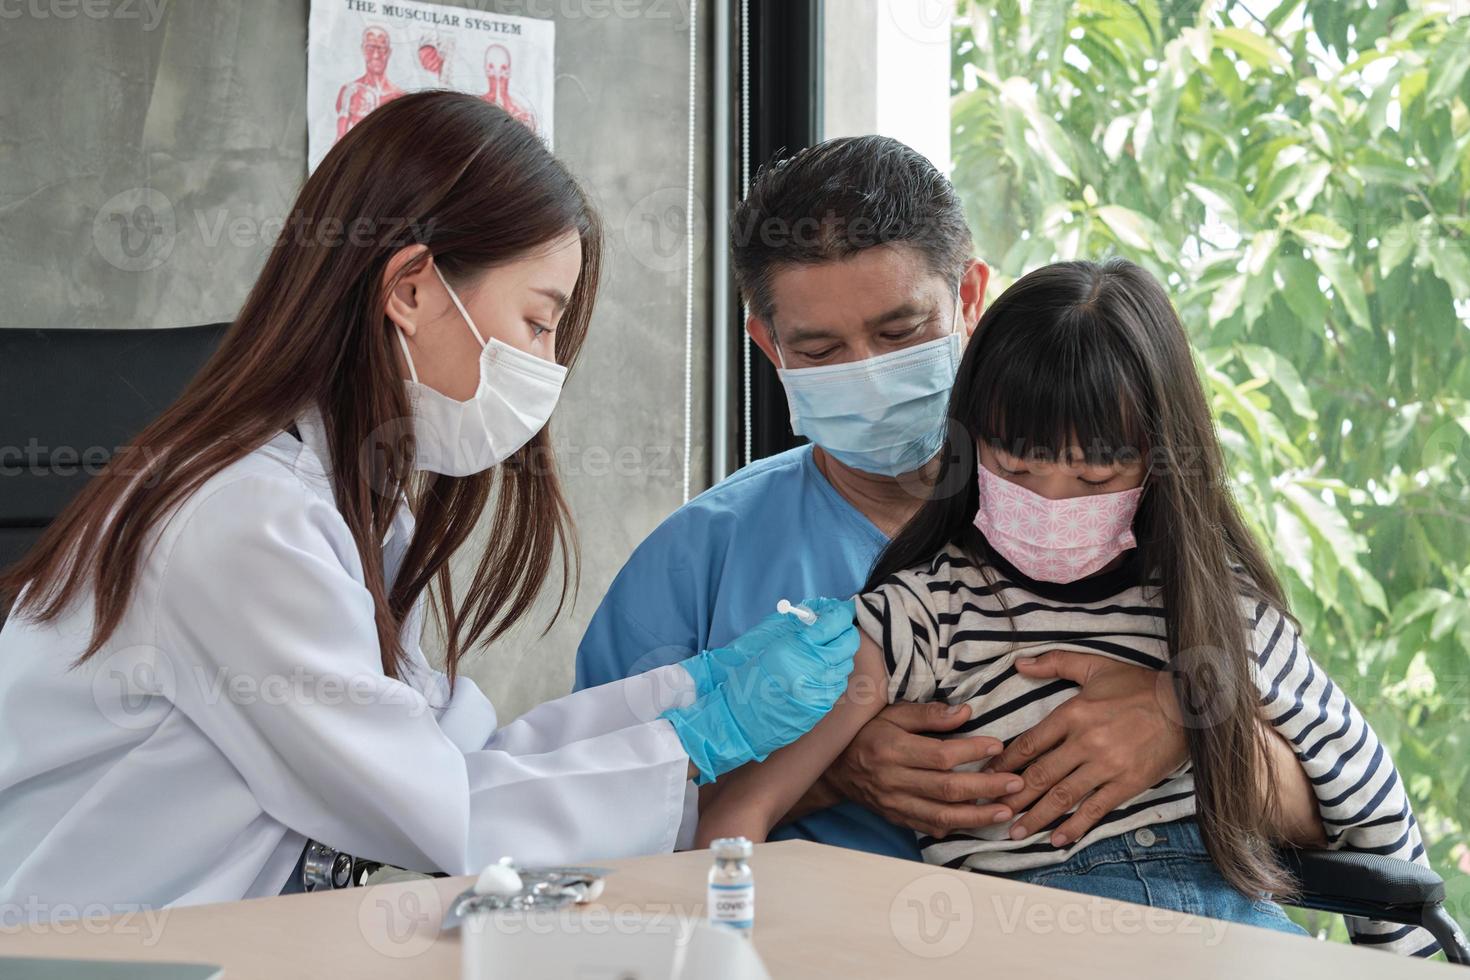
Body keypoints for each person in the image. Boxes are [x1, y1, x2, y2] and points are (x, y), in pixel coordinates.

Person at [0, 92, 858, 912]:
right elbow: (446, 814)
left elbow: (463, 755)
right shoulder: (242, 520)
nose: (549, 365)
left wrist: (692, 691)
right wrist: (704, 739)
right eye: (537, 321)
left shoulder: (349, 505)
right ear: (410, 288)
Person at [694, 259, 1438, 957]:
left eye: (1095, 475)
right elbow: (736, 818)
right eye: (1014, 467)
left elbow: (1374, 814)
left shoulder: (1221, 616)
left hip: (1236, 940)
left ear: (1161, 457)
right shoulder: (922, 613)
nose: (1050, 501)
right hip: (1020, 947)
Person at [577, 137, 1195, 859]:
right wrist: (830, 774)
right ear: (769, 346)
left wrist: (1182, 719)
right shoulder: (695, 565)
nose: (868, 376)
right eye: (820, 352)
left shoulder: (1114, 512)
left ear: (969, 298)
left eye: (900, 332)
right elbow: (584, 826)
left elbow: (1335, 805)